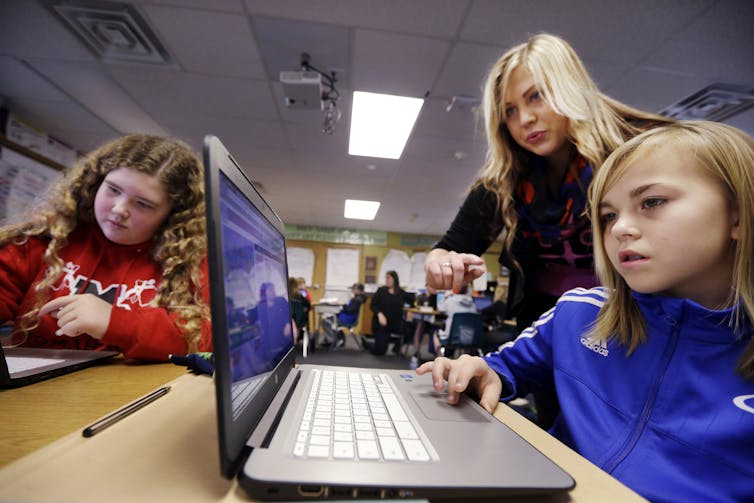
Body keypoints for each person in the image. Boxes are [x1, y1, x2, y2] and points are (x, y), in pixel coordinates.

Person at [418, 121, 754, 502]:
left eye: (652, 202)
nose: (621, 228)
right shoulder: (580, 314)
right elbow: (500, 369)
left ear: (738, 214)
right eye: (609, 215)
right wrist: (479, 371)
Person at [424, 33, 673, 425]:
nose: (524, 119)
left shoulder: (634, 150)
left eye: (536, 97)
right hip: (551, 329)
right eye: (509, 111)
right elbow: (447, 247)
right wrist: (443, 263)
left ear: (567, 88)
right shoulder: (505, 179)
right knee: (563, 427)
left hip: (631, 320)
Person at [0, 134, 211, 361]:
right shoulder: (44, 238)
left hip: (132, 392)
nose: (120, 209)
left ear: (173, 215)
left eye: (142, 204)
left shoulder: (190, 262)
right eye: (113, 190)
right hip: (39, 389)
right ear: (96, 183)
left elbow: (206, 341)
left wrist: (115, 323)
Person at [366, 270, 413, 355]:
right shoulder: (381, 291)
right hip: (383, 324)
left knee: (411, 329)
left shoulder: (401, 292)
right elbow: (373, 305)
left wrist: (410, 311)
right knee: (380, 351)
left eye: (388, 278)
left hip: (396, 323)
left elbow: (413, 301)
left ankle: (396, 347)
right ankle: (368, 344)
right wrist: (379, 314)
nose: (386, 280)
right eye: (386, 278)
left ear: (394, 279)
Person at [321, 283, 366, 348]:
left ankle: (332, 341)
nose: (352, 291)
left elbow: (350, 310)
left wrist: (342, 304)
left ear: (358, 290)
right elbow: (350, 309)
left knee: (325, 322)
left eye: (353, 289)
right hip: (348, 317)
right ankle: (337, 339)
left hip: (347, 319)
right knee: (330, 320)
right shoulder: (358, 298)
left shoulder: (357, 300)